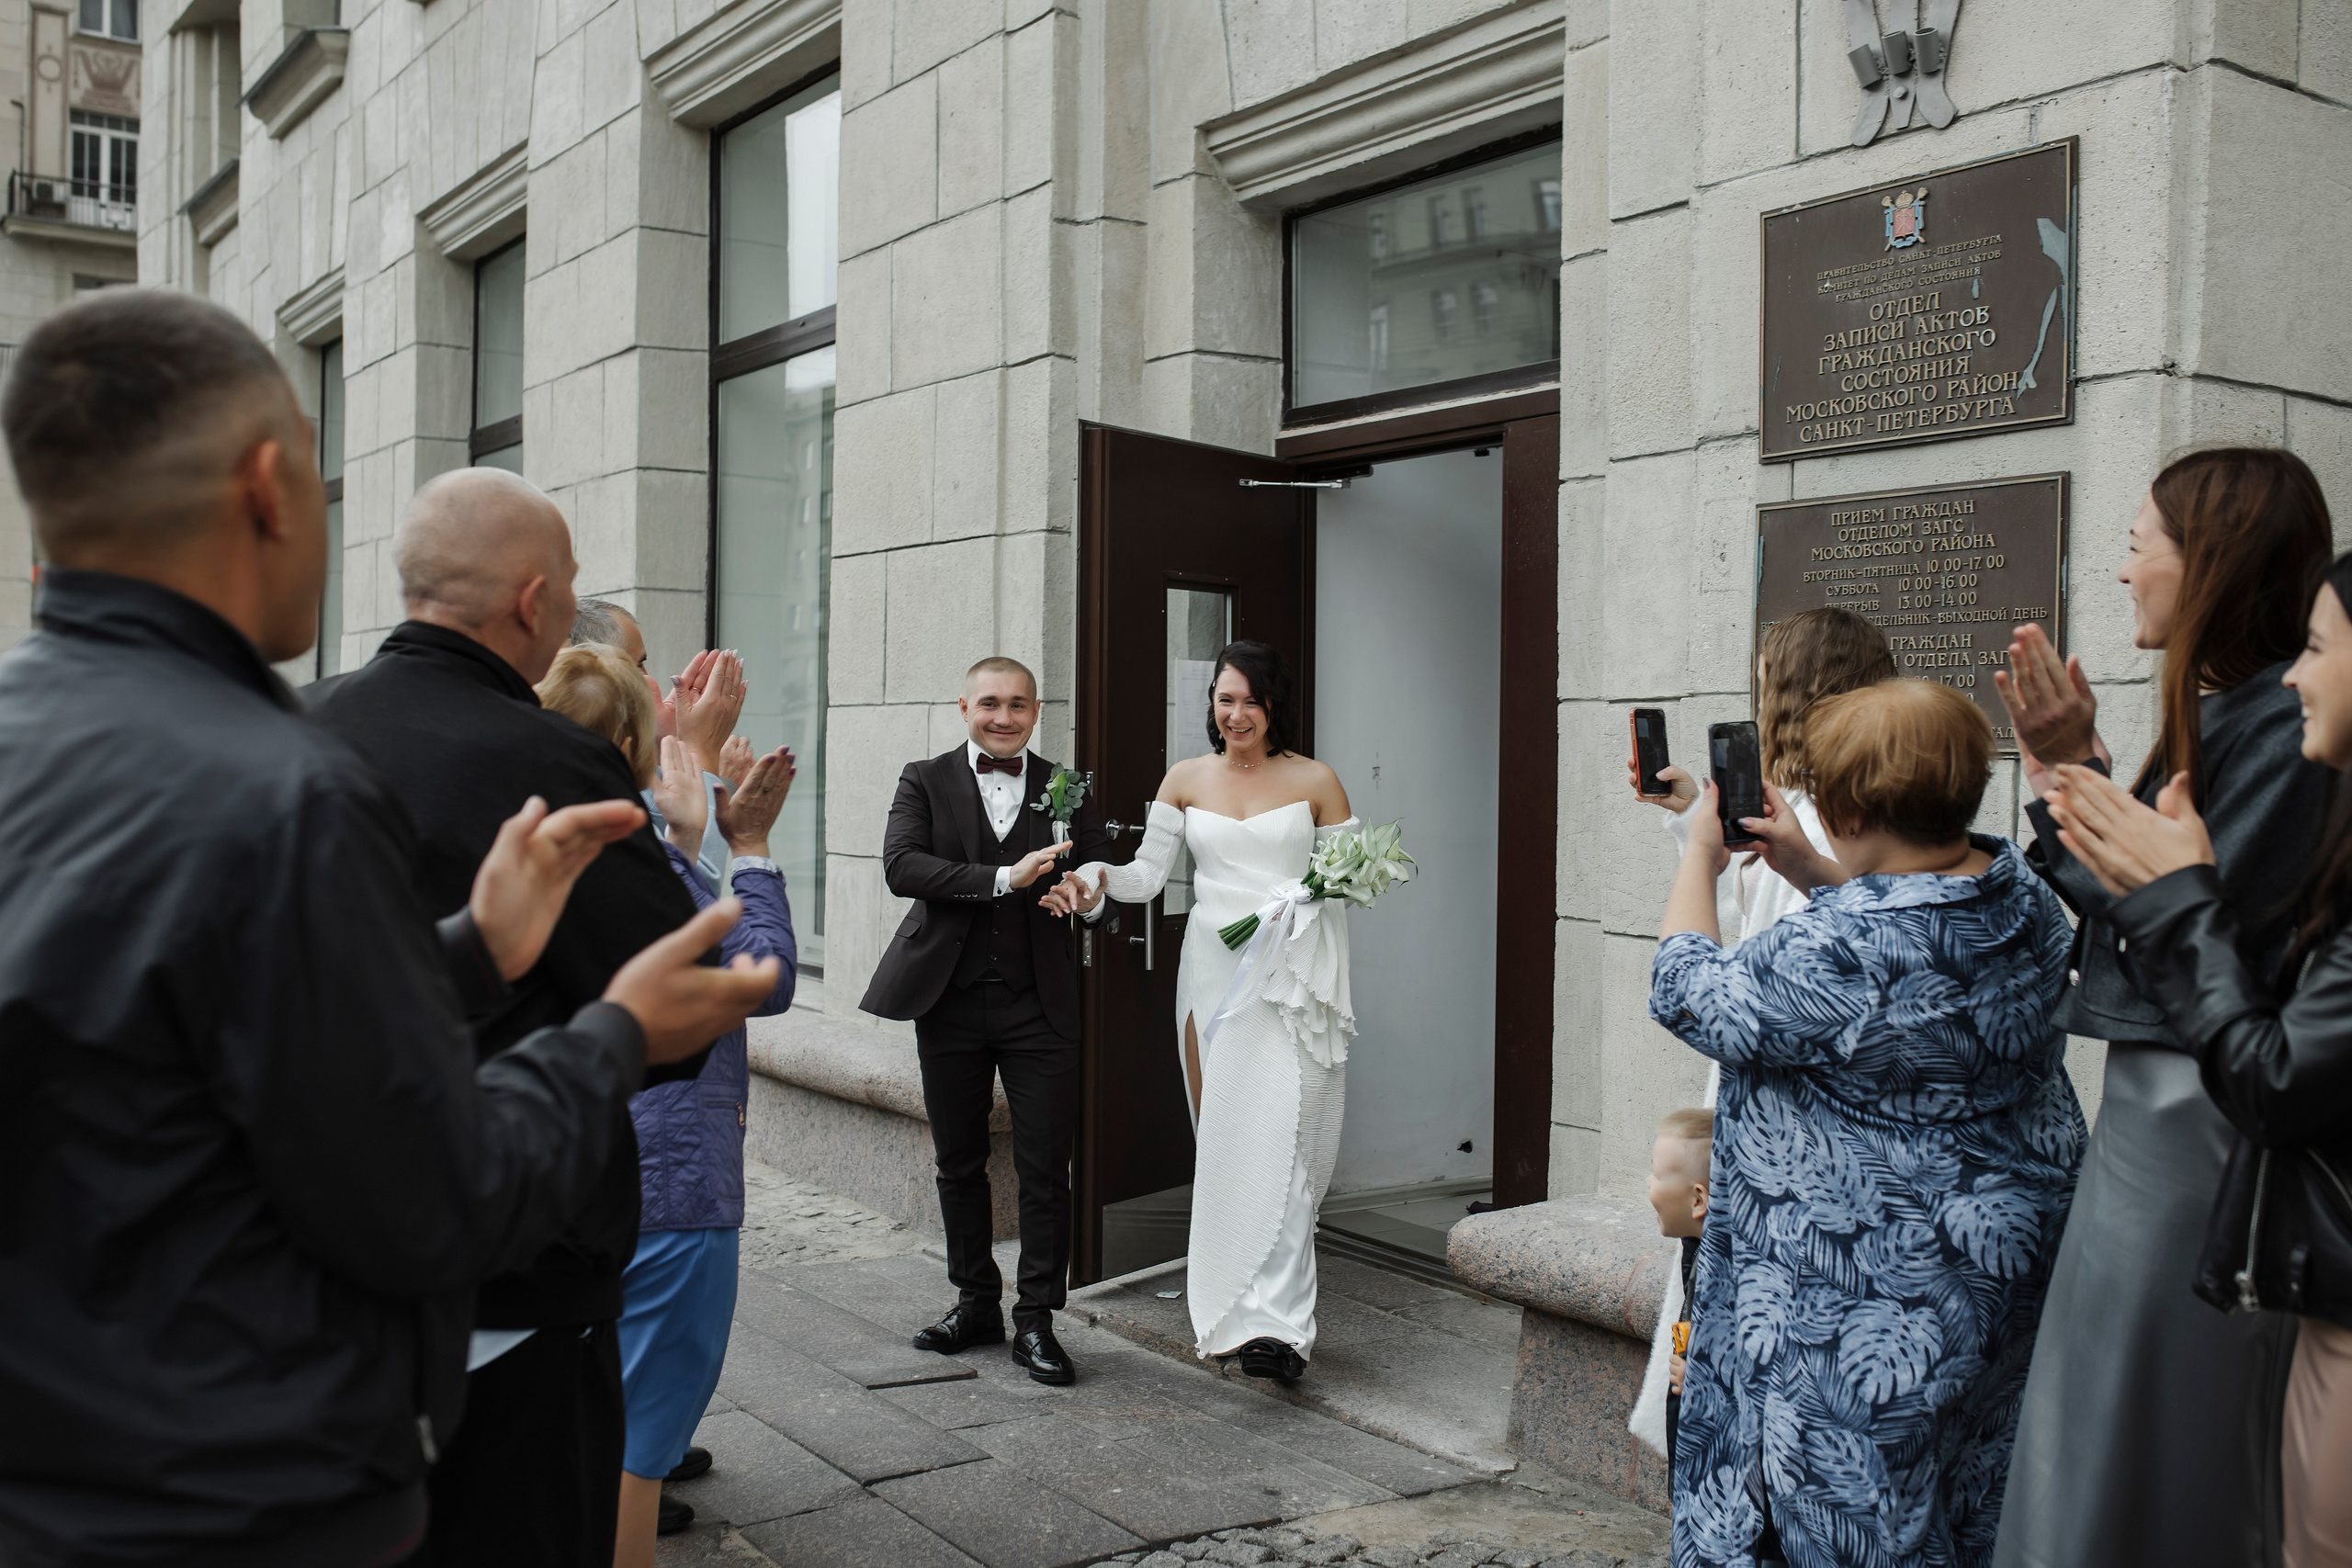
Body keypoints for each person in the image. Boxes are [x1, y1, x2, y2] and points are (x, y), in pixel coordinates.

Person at [0, 288, 778, 1568]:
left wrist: (470, 952)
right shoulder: (272, 788)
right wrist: (612, 1033)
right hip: (237, 1488)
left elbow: (171, 1060)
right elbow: (427, 1196)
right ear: (266, 487)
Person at [308, 471, 715, 1568]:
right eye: (571, 582)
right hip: (518, 1264)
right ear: (532, 599)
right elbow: (667, 1012)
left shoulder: (292, 729)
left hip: (318, 1268)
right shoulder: (551, 761)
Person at [1992, 448, 2334, 1568]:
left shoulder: (2284, 732)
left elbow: (2177, 918)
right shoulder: (2240, 711)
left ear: (2211, 562)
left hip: (2205, 1118)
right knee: (2102, 1413)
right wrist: (2076, 772)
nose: (2123, 564)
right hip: (2160, 1110)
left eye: (2140, 540)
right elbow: (2149, 894)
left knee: (2146, 1417)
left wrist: (2072, 789)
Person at [1654, 678, 2084, 1567]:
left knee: (1850, 1531)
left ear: (1848, 809)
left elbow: (1686, 990)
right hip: (1990, 1290)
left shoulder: (1840, 947)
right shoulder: (2025, 904)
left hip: (1854, 1311)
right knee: (1961, 1511)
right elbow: (1909, 941)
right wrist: (1817, 875)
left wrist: (1698, 854)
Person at [534, 644, 798, 1563]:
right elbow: (759, 980)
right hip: (670, 1177)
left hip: (586, 1161)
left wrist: (684, 838)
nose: (681, 715)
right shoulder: (631, 849)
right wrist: (750, 850)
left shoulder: (549, 833)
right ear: (624, 741)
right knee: (635, 1450)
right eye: (660, 705)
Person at [1625, 606, 1894, 1452]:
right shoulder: (1846, 809)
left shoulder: (1810, 816)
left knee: (1722, 1269)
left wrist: (1698, 854)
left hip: (1768, 1068)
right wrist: (1688, 814)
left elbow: (1725, 965)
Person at [1065, 640, 1356, 1382]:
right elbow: (1144, 878)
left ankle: (1282, 1331)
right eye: (1224, 699)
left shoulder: (1318, 781)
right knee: (1228, 1143)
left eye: (1249, 701)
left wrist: (1308, 900)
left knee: (1288, 1152)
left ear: (1273, 704)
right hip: (1212, 979)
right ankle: (1236, 1310)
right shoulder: (1185, 779)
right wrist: (1093, 875)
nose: (1235, 714)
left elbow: (1351, 882)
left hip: (1289, 981)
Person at [859, 656, 1112, 1384]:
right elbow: (902, 865)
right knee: (959, 1159)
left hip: (1041, 1003)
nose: (1004, 717)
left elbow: (1104, 884)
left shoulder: (1069, 785)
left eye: (1019, 706)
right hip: (950, 999)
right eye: (990, 703)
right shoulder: (924, 778)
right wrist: (1005, 877)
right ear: (964, 704)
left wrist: (1086, 897)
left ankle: (1036, 1321)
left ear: (1037, 710)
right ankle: (975, 1302)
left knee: (1044, 1167)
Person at [571, 599, 741, 892]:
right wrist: (703, 757)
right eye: (637, 664)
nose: (648, 679)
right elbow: (691, 901)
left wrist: (662, 744)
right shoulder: (581, 786)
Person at [1645, 1108, 1712, 1474]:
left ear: (1698, 1200)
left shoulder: (1728, 1274)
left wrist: (1707, 1383)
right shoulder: (1699, 1254)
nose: (1648, 1184)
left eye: (1656, 1174)